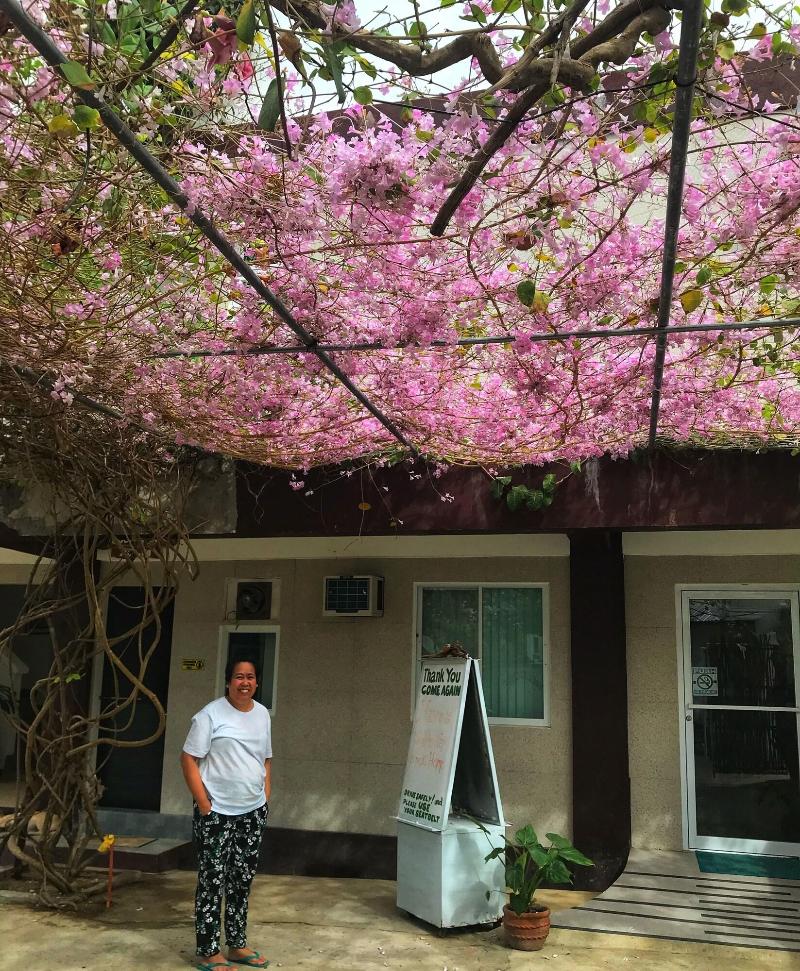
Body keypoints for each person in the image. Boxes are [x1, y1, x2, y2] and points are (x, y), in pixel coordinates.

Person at [181, 657, 272, 970]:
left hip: (252, 811)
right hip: (217, 812)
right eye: (238, 677)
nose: (244, 683)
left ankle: (237, 944)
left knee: (241, 879)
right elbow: (188, 758)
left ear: (257, 682)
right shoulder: (210, 714)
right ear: (228, 681)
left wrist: (265, 794)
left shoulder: (262, 714)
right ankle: (208, 951)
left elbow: (266, 758)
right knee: (212, 880)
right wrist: (204, 803)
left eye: (250, 677)